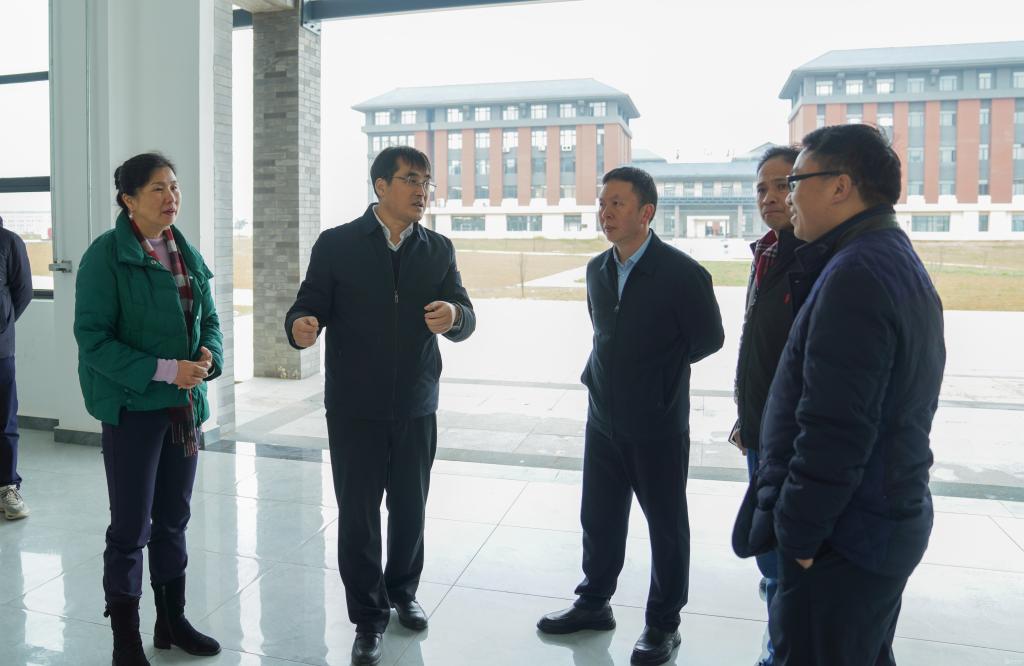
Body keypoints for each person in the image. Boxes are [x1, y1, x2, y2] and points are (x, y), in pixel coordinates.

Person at [737, 124, 945, 666]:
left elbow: (835, 429)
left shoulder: (856, 274)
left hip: (844, 538)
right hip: (874, 525)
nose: (786, 197)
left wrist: (800, 540)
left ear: (840, 186)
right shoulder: (881, 256)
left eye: (796, 181)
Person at [285, 145, 476, 666]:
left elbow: (465, 312)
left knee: (410, 508)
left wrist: (454, 315)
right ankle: (367, 618)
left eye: (427, 182)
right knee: (359, 516)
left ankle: (403, 591)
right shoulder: (337, 244)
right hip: (355, 406)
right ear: (381, 185)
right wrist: (300, 325)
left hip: (416, 403)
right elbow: (308, 304)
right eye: (411, 179)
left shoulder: (438, 249)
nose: (422, 191)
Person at [538, 166, 724, 666]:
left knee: (666, 525)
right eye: (602, 203)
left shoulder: (683, 274)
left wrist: (657, 378)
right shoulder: (597, 269)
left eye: (617, 203)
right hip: (603, 416)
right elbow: (603, 331)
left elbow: (709, 339)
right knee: (599, 516)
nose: (605, 212)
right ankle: (594, 603)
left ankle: (664, 623)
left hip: (657, 423)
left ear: (646, 212)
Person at [74, 152, 223, 666]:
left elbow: (210, 321)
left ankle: (171, 621)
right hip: (133, 409)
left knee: (174, 520)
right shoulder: (105, 257)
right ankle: (126, 640)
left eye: (174, 186)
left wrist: (208, 357)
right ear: (129, 200)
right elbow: (93, 340)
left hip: (183, 409)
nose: (171, 197)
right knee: (130, 528)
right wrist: (166, 369)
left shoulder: (185, 251)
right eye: (158, 188)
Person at [729, 146, 802, 666]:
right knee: (770, 551)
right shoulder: (768, 252)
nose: (770, 197)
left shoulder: (813, 258)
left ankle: (780, 651)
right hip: (762, 427)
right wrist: (747, 416)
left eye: (783, 185)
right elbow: (757, 345)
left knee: (782, 556)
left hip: (791, 438)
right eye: (762, 188)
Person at [0, 214, 33, 520]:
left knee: (4, 420)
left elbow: (23, 293)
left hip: (0, 351)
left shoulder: (9, 242)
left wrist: (4, 325)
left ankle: (7, 487)